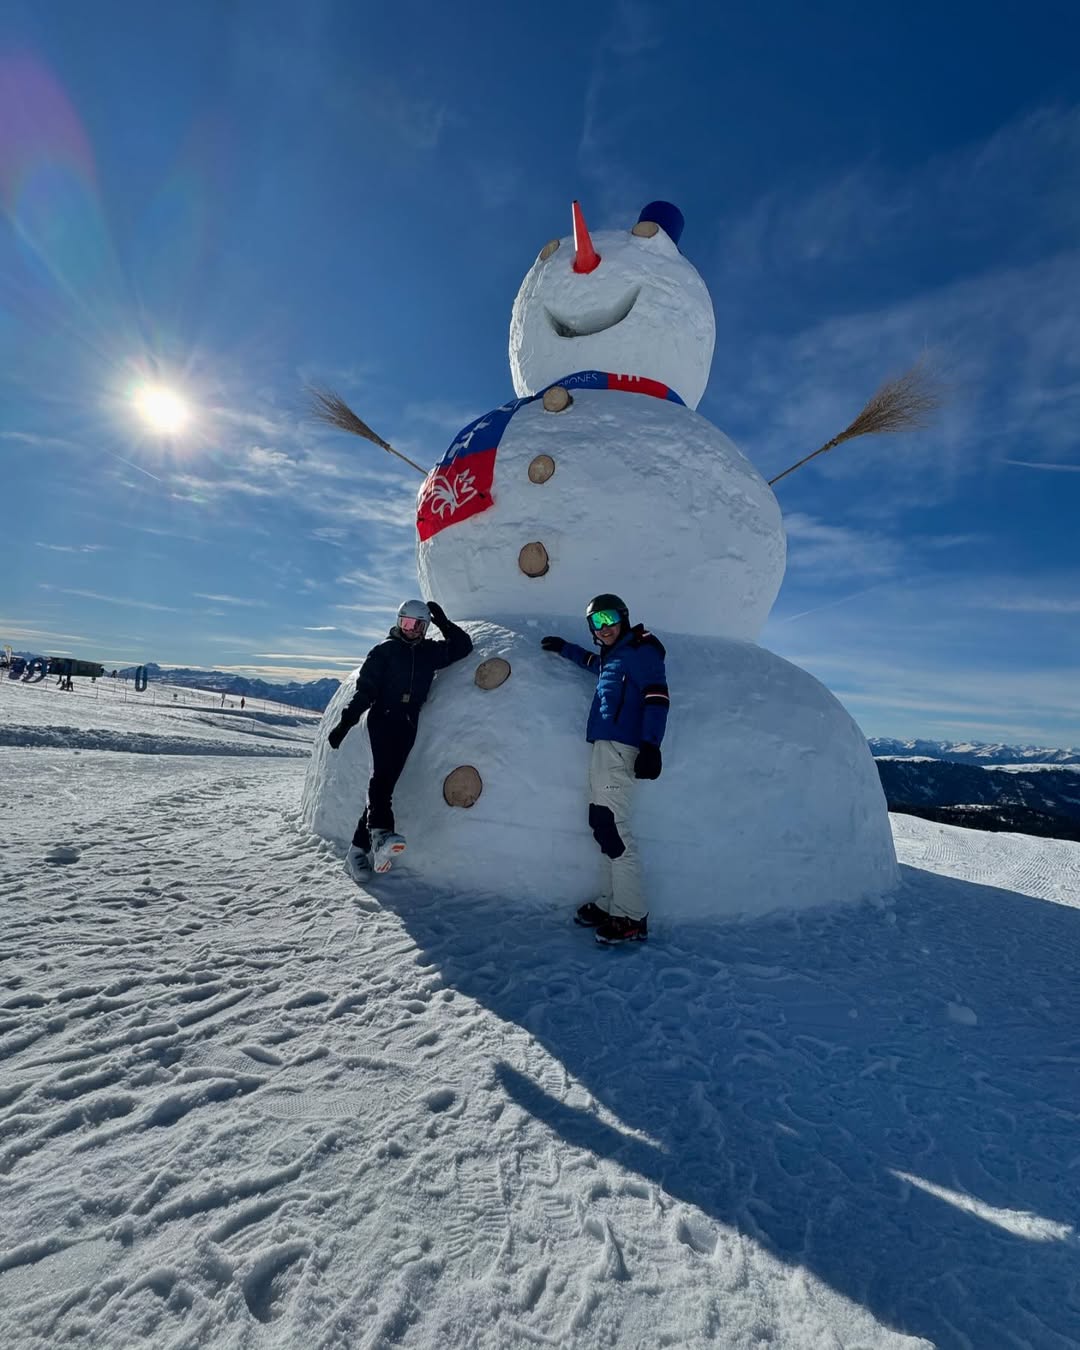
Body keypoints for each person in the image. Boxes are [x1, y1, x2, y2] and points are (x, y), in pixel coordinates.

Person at [541, 593, 669, 944]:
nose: (604, 627)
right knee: (602, 823)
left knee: (614, 826)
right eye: (596, 622)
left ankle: (632, 915)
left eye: (609, 618)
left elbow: (657, 697)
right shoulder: (614, 657)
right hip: (604, 745)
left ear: (624, 618)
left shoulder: (642, 650)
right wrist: (565, 648)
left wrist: (651, 747)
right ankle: (613, 902)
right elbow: (595, 665)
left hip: (623, 748)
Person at [328, 599, 472, 877]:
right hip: (382, 718)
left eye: (417, 625)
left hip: (408, 723)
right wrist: (344, 724)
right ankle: (382, 835)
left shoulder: (430, 652)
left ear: (425, 627)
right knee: (380, 780)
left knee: (385, 785)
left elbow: (462, 647)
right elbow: (364, 693)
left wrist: (443, 622)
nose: (410, 629)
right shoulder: (384, 652)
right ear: (398, 622)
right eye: (405, 623)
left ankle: (358, 851)